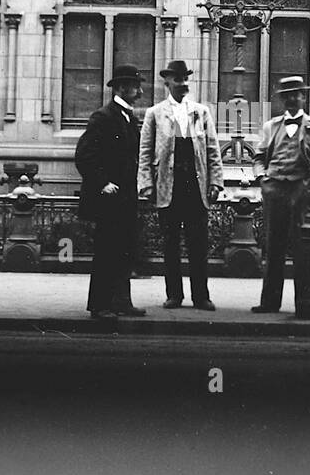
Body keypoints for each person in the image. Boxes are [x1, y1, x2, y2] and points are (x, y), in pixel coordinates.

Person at [138, 60, 223, 310]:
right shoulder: (155, 113)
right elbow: (145, 152)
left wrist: (216, 182)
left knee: (198, 245)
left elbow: (212, 150)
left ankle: (201, 296)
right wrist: (146, 184)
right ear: (167, 82)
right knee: (170, 244)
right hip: (169, 187)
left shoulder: (200, 112)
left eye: (186, 78)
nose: (183, 83)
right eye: (177, 79)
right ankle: (174, 295)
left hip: (195, 187)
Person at [74, 64, 147, 319]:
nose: (139, 91)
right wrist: (101, 183)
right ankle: (100, 305)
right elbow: (84, 155)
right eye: (135, 86)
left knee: (124, 249)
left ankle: (121, 302)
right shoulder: (103, 117)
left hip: (125, 197)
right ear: (121, 88)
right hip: (108, 198)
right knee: (106, 252)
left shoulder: (129, 117)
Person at [250, 75, 310, 314]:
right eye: (287, 96)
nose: (291, 99)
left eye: (296, 94)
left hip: (300, 189)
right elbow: (258, 156)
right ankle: (269, 303)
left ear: (303, 97)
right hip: (275, 188)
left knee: (302, 248)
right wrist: (262, 178)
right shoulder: (271, 126)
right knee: (273, 247)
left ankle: (303, 304)